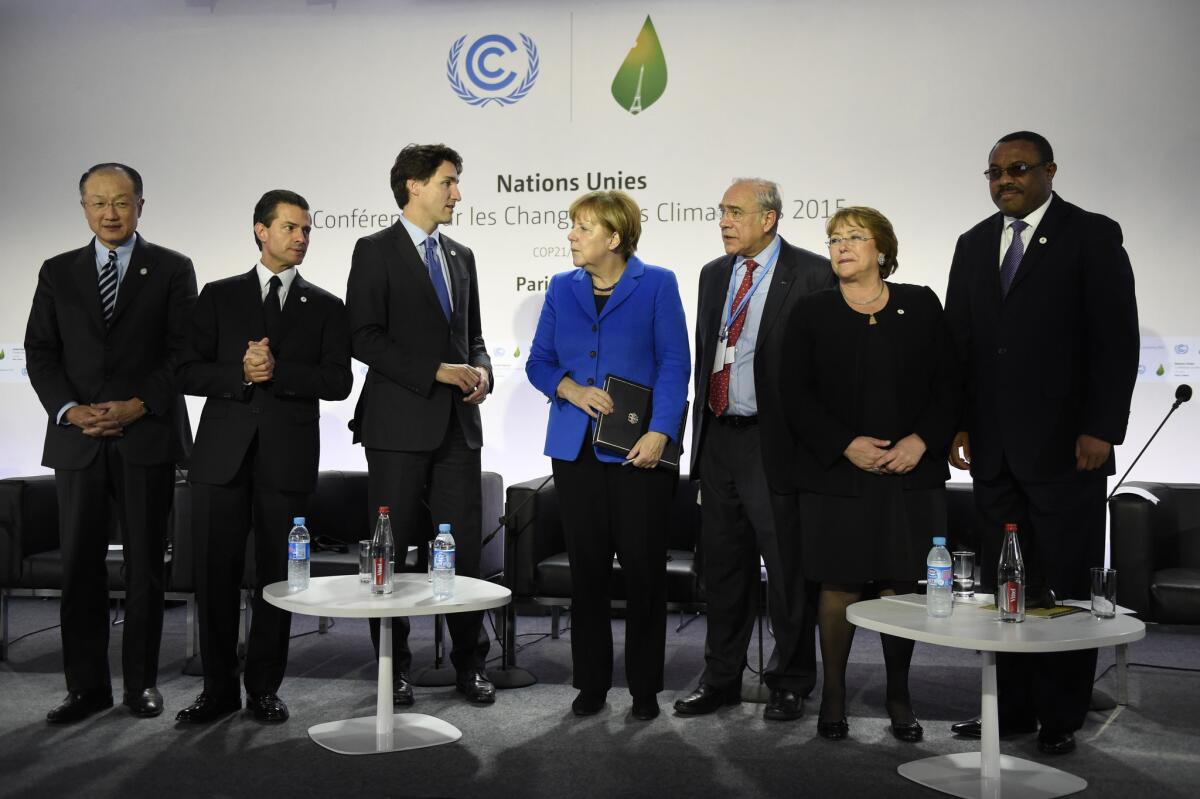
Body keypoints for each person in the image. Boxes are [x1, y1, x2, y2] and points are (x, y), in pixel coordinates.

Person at [944, 132, 1139, 755]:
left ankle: (1061, 714)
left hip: (1066, 448)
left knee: (1065, 587)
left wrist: (1103, 428)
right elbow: (962, 345)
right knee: (1010, 587)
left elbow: (1116, 339)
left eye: (1018, 169)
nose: (1005, 180)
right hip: (995, 451)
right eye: (995, 171)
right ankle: (1014, 708)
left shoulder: (1092, 234)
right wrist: (958, 422)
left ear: (1049, 171)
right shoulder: (973, 244)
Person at [24, 163, 197, 723]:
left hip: (145, 435)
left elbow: (182, 353)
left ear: (140, 204)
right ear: (83, 208)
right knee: (79, 567)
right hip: (79, 442)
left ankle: (141, 684)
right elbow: (40, 352)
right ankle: (85, 688)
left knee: (146, 567)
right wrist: (71, 411)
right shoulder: (57, 272)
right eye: (98, 202)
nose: (110, 213)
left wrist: (139, 404)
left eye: (121, 202)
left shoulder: (172, 268)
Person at [174, 190, 352, 724]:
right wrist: (238, 373)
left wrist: (278, 372)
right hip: (221, 460)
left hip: (287, 461)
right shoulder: (219, 295)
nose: (300, 238)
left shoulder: (325, 306)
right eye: (290, 228)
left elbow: (339, 382)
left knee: (279, 577)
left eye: (306, 231)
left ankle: (265, 688)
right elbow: (186, 370)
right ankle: (217, 690)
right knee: (216, 576)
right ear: (260, 230)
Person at [783, 206, 959, 742]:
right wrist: (845, 445)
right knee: (839, 582)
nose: (841, 246)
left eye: (855, 238)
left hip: (910, 472)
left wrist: (921, 441)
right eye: (835, 238)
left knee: (900, 584)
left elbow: (950, 383)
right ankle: (833, 694)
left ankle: (898, 695)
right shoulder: (811, 311)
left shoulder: (921, 303)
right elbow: (794, 394)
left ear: (881, 249)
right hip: (840, 473)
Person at [526, 190, 690, 721]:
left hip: (638, 452)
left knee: (644, 573)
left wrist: (661, 432)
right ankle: (591, 684)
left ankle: (644, 689)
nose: (571, 236)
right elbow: (539, 363)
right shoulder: (559, 287)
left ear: (614, 238)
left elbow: (674, 364)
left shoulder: (657, 284)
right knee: (588, 574)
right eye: (572, 226)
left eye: (583, 228)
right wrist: (570, 390)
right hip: (574, 453)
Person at [676, 178, 832, 722]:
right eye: (721, 211)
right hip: (720, 437)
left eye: (735, 212)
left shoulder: (811, 272)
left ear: (769, 219)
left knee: (786, 570)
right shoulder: (714, 274)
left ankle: (790, 680)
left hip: (776, 442)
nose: (724, 221)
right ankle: (720, 677)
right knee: (722, 568)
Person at [346, 143, 495, 706]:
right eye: (448, 182)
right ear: (413, 185)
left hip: (459, 428)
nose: (457, 193)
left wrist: (480, 369)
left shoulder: (461, 256)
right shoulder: (375, 251)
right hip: (397, 428)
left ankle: (469, 666)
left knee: (461, 557)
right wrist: (436, 371)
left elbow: (472, 336)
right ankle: (394, 668)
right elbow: (363, 336)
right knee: (393, 554)